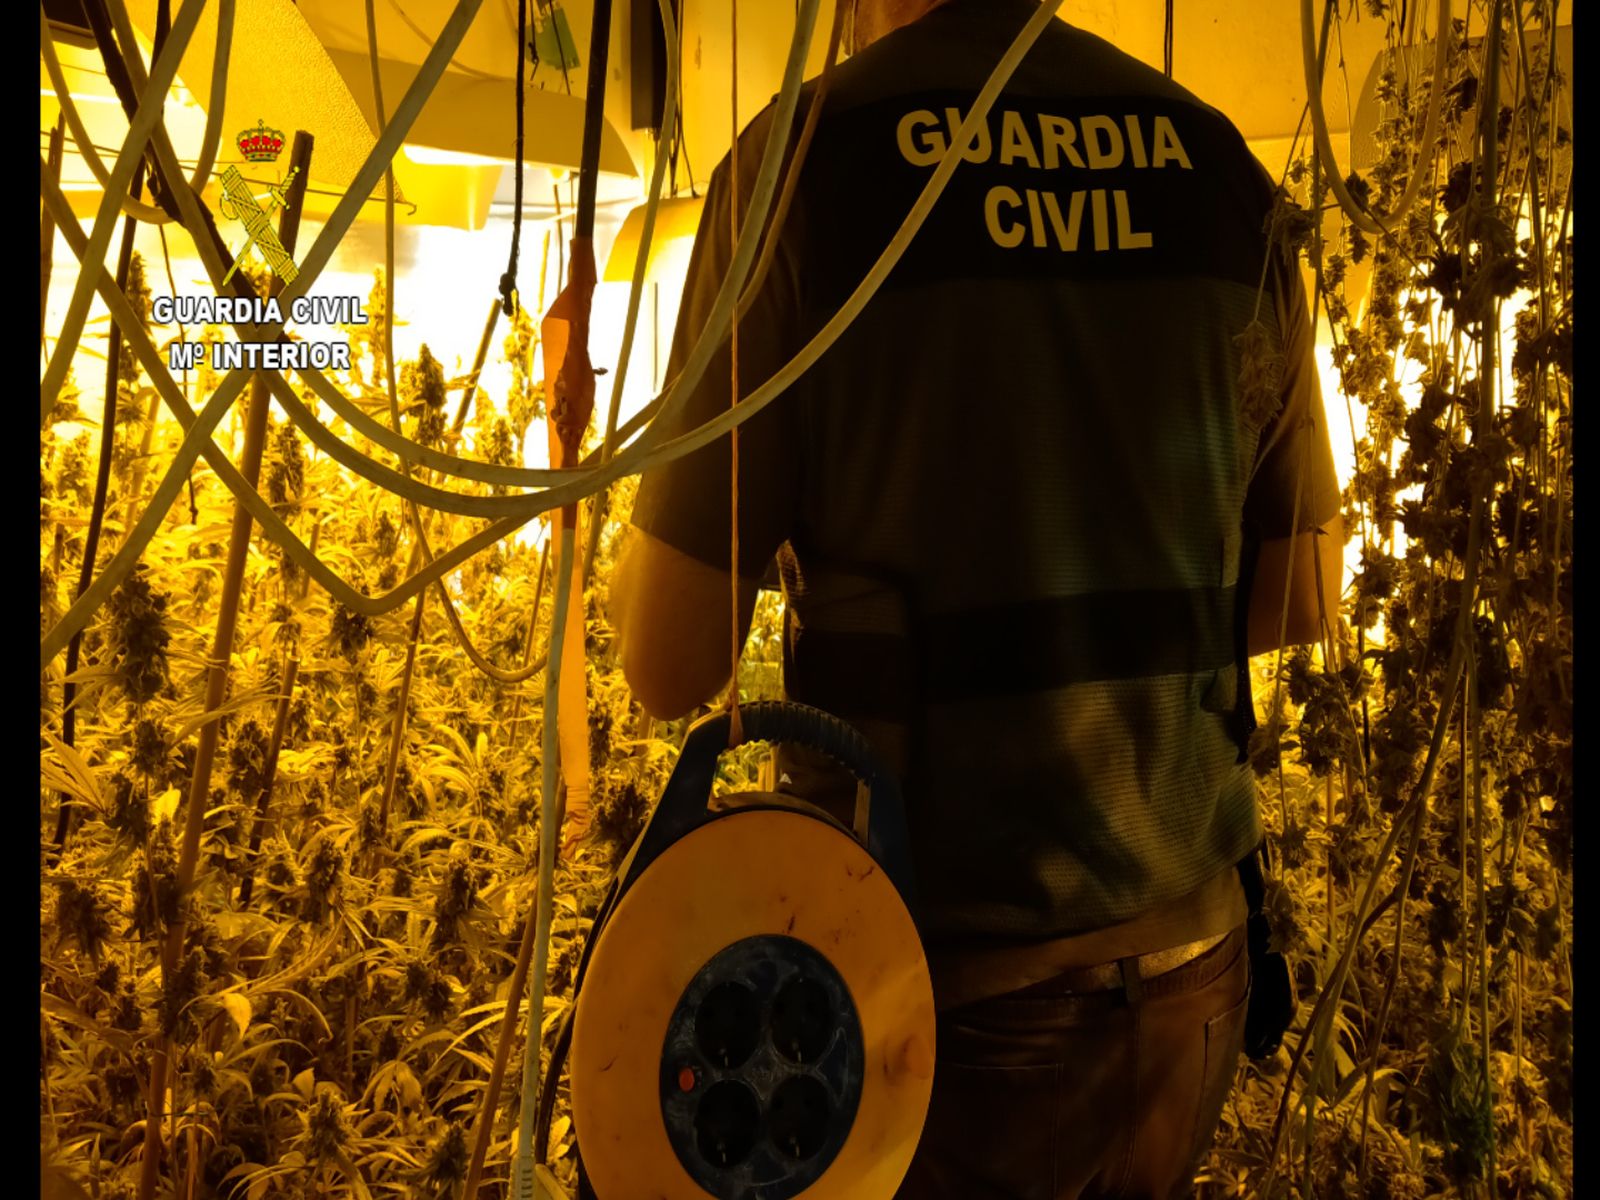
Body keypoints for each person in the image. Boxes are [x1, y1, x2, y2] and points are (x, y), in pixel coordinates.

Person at [607, 0, 1344, 1196]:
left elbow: (667, 662)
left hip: (937, 1002)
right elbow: (1297, 597)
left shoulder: (804, 164)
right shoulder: (1215, 165)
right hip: (1189, 974)